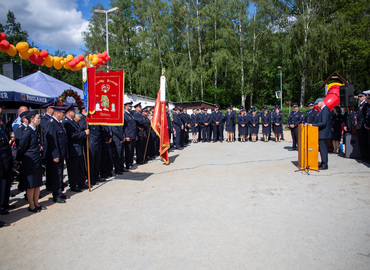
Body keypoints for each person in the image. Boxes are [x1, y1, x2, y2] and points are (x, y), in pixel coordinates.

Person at [16, 111, 46, 213]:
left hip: (36, 161)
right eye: (37, 118)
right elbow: (21, 147)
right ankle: (31, 205)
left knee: (37, 184)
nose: (39, 120)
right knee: (31, 185)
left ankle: (36, 203)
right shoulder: (27, 131)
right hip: (29, 161)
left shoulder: (34, 130)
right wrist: (20, 160)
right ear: (31, 119)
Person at [44, 106, 69, 203]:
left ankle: (60, 192)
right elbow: (52, 141)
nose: (63, 115)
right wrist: (55, 155)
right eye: (62, 113)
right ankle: (56, 195)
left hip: (61, 153)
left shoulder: (58, 123)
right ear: (57, 113)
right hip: (56, 155)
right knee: (56, 175)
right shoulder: (52, 124)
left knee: (59, 174)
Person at [62, 106, 89, 192]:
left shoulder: (72, 122)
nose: (75, 113)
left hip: (78, 148)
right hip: (72, 149)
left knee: (79, 167)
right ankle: (73, 185)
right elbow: (72, 135)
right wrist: (84, 133)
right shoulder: (66, 122)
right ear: (69, 112)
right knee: (73, 168)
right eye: (74, 111)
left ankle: (81, 182)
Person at [309, 98, 332, 170]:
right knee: (322, 149)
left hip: (323, 133)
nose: (317, 105)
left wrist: (313, 125)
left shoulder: (325, 110)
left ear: (321, 102)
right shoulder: (323, 110)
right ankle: (323, 163)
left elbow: (324, 123)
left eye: (317, 103)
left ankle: (325, 164)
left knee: (323, 149)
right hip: (322, 133)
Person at [356, 91, 369, 161]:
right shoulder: (360, 105)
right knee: (361, 142)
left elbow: (364, 116)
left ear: (364, 97)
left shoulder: (365, 104)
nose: (359, 98)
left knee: (364, 142)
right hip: (359, 125)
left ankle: (366, 157)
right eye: (359, 96)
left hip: (362, 126)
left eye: (361, 96)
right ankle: (362, 156)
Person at [123, 101, 137, 169]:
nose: (130, 107)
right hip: (129, 135)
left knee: (131, 150)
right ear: (125, 106)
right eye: (129, 106)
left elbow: (134, 126)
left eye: (131, 106)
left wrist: (135, 135)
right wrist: (127, 135)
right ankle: (128, 164)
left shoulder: (131, 114)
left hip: (133, 135)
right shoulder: (124, 115)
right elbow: (126, 127)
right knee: (128, 150)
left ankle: (130, 162)